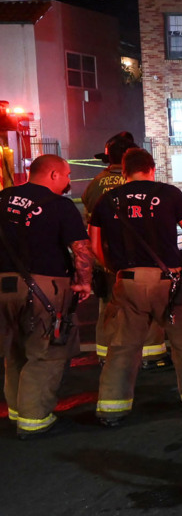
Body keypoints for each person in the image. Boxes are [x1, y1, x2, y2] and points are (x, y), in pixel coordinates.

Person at [90, 148, 182, 425]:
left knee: (122, 346)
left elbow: (95, 246)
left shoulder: (107, 199)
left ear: (124, 172)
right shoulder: (168, 194)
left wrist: (114, 269)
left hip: (128, 282)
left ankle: (112, 409)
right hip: (168, 283)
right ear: (152, 168)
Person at [0, 155, 93, 439]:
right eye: (67, 175)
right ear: (53, 174)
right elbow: (81, 249)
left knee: (15, 349)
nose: (68, 180)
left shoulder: (2, 198)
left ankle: (17, 410)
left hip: (2, 285)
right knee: (47, 353)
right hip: (43, 287)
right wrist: (84, 283)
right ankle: (34, 419)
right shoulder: (60, 205)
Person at [83, 131, 169, 367]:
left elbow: (91, 222)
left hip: (108, 257)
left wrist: (102, 261)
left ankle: (106, 355)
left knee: (110, 309)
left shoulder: (95, 185)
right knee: (147, 306)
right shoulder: (142, 185)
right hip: (143, 258)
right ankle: (150, 355)